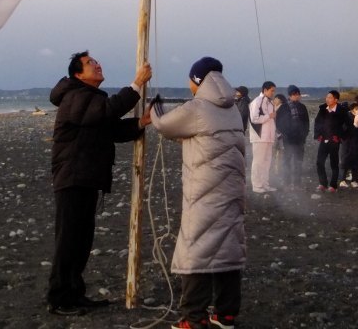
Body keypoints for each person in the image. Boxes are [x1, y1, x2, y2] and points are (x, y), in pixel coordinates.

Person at [47, 52, 151, 316]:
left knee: (82, 241)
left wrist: (141, 122)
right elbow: (107, 111)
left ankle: (75, 293)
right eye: (90, 63)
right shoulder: (75, 96)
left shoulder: (91, 99)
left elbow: (111, 130)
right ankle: (59, 299)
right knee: (69, 240)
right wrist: (136, 85)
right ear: (78, 74)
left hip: (87, 177)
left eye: (96, 61)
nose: (97, 64)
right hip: (72, 177)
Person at [148, 57, 246, 329]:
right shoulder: (233, 109)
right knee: (228, 248)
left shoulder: (198, 108)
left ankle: (193, 318)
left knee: (197, 249)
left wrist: (154, 109)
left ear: (198, 81)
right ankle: (226, 314)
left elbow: (166, 125)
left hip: (205, 192)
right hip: (232, 191)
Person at [314, 90, 351, 192]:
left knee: (334, 163)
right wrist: (318, 135)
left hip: (334, 140)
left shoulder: (341, 111)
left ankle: (333, 185)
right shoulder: (322, 109)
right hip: (324, 139)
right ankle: (323, 183)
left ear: (336, 100)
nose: (327, 99)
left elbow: (348, 126)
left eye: (330, 98)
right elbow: (317, 123)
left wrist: (340, 136)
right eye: (327, 97)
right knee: (319, 162)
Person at [275, 85, 310, 191]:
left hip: (300, 139)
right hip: (288, 139)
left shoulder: (302, 107)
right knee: (287, 161)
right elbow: (279, 123)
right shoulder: (283, 107)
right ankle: (287, 183)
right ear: (290, 96)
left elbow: (306, 122)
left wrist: (304, 134)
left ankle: (297, 184)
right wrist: (285, 134)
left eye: (298, 94)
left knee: (298, 162)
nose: (297, 96)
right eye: (295, 94)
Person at [249, 81, 278, 193]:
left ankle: (265, 184)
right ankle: (256, 185)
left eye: (274, 91)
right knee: (258, 162)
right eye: (272, 90)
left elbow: (272, 121)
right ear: (265, 90)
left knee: (267, 162)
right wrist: (268, 116)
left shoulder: (270, 103)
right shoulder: (257, 101)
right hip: (259, 137)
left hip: (269, 137)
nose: (273, 93)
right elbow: (254, 119)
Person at [341, 97, 358, 187]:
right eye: (356, 109)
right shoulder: (346, 118)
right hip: (348, 143)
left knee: (356, 161)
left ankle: (354, 180)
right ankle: (342, 180)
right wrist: (353, 125)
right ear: (352, 110)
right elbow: (344, 130)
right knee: (346, 161)